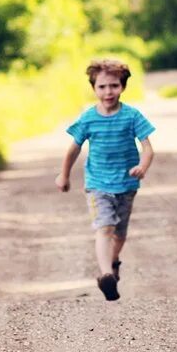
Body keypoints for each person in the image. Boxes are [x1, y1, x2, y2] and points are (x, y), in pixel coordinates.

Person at [55, 58, 155, 301]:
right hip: (97, 184)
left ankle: (113, 262)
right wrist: (64, 174)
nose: (108, 92)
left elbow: (148, 148)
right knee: (104, 227)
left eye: (114, 86)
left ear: (122, 87)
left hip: (127, 184)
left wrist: (142, 166)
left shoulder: (132, 116)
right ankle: (106, 274)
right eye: (102, 87)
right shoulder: (88, 118)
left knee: (120, 233)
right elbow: (73, 149)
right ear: (93, 88)